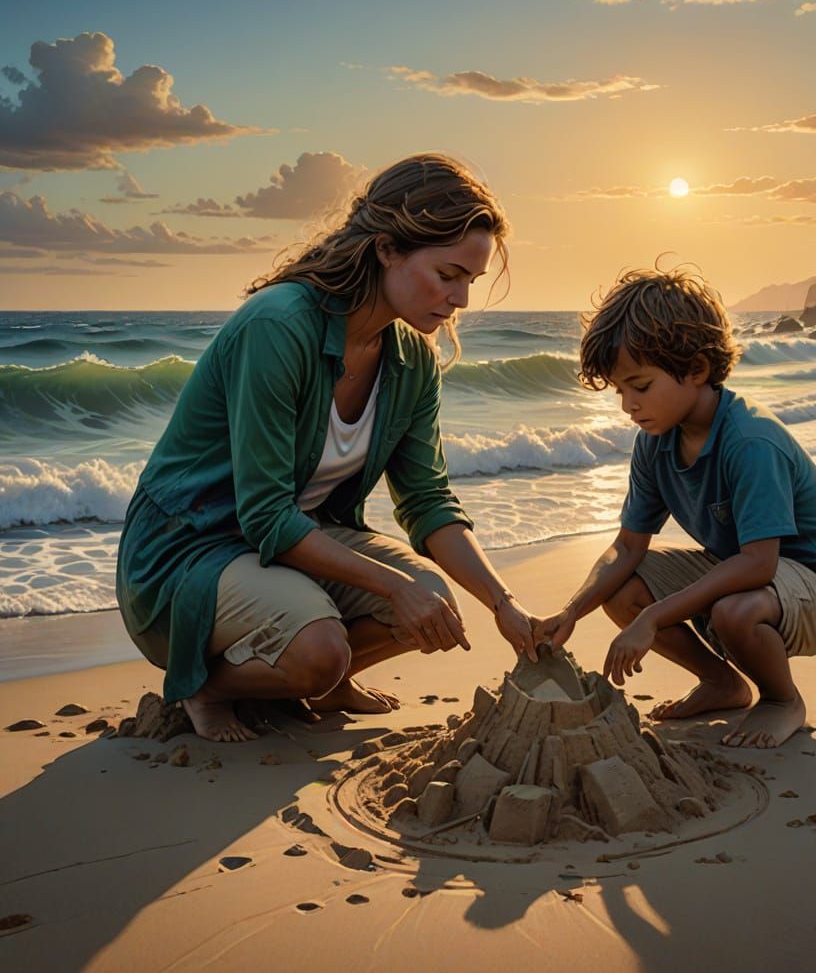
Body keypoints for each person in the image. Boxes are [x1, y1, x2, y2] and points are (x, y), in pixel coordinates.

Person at [116, 153, 539, 743]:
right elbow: (263, 514)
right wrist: (393, 584)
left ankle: (323, 681)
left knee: (435, 601)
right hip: (190, 550)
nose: (462, 299)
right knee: (322, 645)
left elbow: (428, 501)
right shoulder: (279, 326)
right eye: (448, 275)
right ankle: (209, 685)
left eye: (471, 279)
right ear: (388, 249)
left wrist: (503, 603)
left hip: (287, 544)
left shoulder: (411, 358)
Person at [536, 268, 816, 749]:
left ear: (696, 369)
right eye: (619, 391)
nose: (628, 405)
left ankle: (781, 699)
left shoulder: (751, 442)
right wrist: (571, 612)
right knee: (623, 589)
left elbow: (760, 562)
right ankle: (723, 684)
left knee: (734, 611)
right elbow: (627, 547)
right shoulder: (655, 441)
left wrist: (652, 620)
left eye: (641, 386)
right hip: (745, 572)